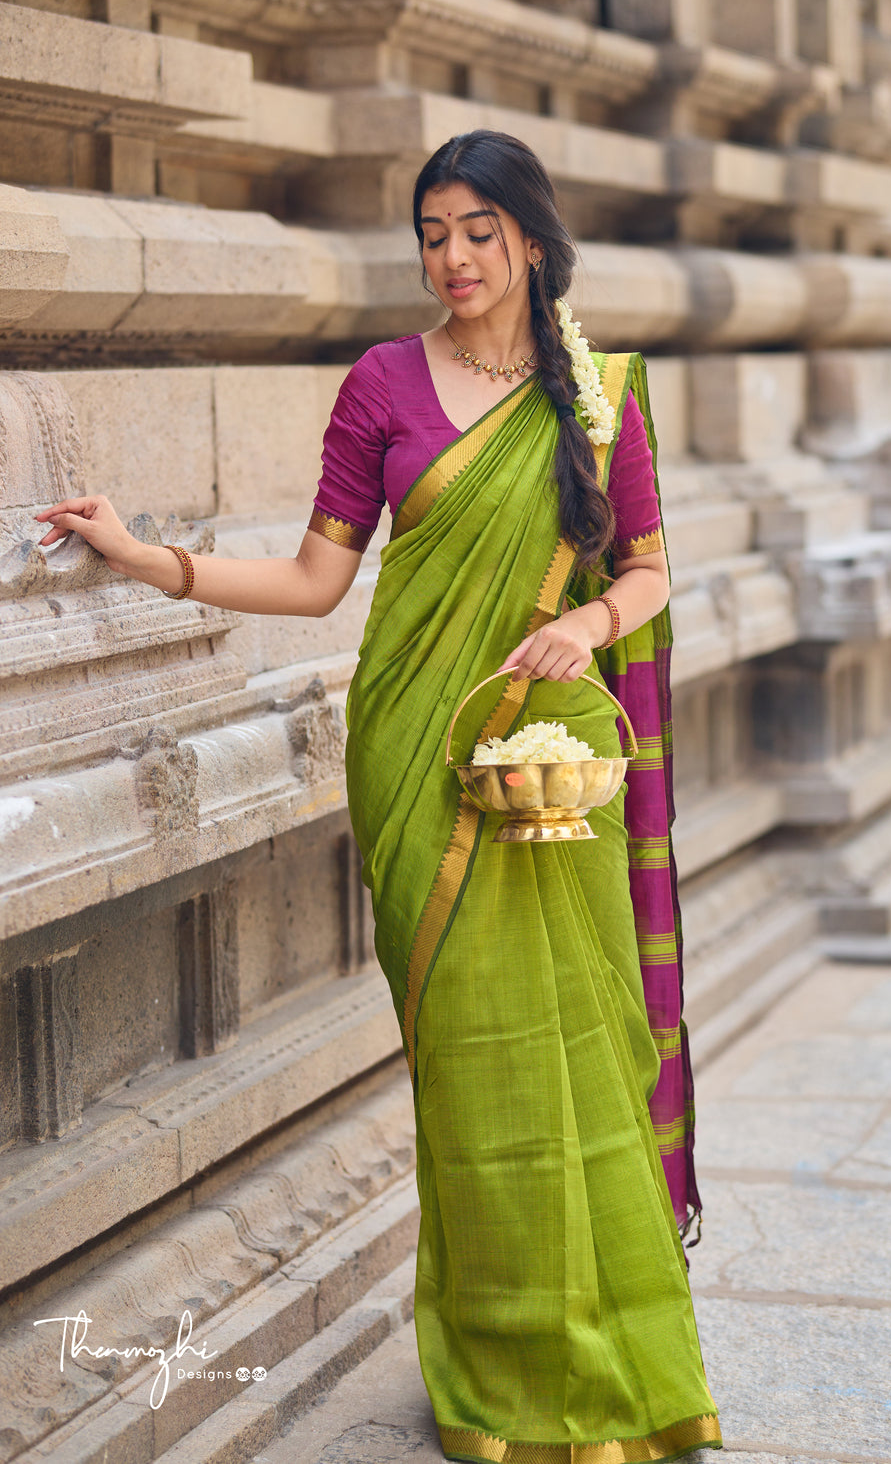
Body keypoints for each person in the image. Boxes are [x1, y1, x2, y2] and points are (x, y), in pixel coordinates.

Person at [36, 130, 721, 1463]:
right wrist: (141, 556)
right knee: (471, 1077)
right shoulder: (381, 385)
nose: (451, 257)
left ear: (529, 238)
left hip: (556, 767)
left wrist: (586, 627)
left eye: (476, 231)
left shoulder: (595, 391)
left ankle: (620, 1366)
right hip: (418, 760)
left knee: (581, 1051)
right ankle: (498, 1367)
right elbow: (310, 582)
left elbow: (646, 571)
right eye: (430, 233)